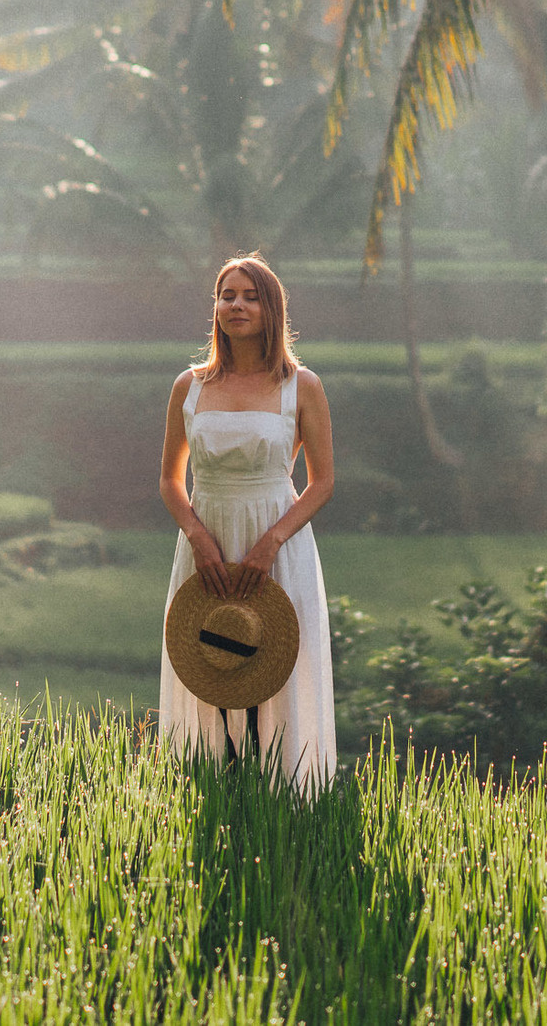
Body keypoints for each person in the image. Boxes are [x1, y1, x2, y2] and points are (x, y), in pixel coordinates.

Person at [157, 253, 336, 792]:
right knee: (211, 664)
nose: (236, 304)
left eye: (250, 295)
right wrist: (196, 535)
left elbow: (322, 480)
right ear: (215, 306)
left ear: (272, 308)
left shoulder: (300, 386)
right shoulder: (189, 385)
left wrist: (272, 542)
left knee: (274, 666)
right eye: (227, 294)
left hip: (276, 541)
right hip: (205, 539)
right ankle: (215, 791)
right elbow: (170, 479)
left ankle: (283, 798)